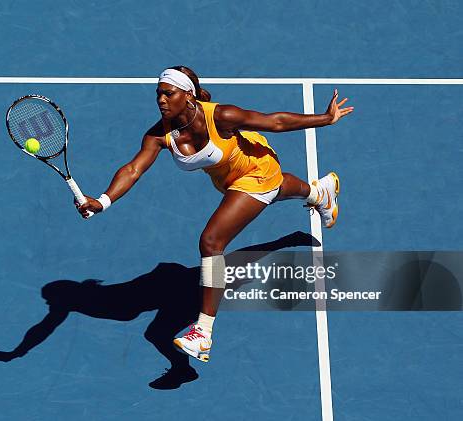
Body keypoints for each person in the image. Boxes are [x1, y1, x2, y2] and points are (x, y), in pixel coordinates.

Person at [76, 66, 353, 363]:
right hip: (228, 180)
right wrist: (103, 201)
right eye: (158, 94)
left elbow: (274, 122)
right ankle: (319, 193)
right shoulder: (159, 135)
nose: (161, 100)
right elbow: (133, 169)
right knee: (277, 190)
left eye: (168, 94)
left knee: (211, 241)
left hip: (255, 170)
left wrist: (326, 118)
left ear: (188, 95)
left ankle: (203, 333)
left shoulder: (220, 116)